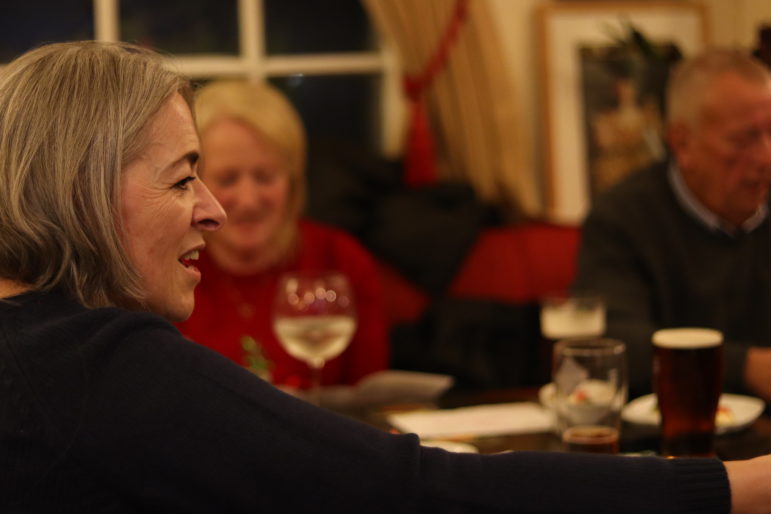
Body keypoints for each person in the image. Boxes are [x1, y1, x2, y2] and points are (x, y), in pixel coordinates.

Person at [1, 40, 771, 514]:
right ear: (82, 195)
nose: (214, 210)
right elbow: (411, 492)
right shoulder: (102, 366)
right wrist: (734, 491)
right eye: (182, 180)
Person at [573, 48, 771, 401]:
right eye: (744, 140)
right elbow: (615, 344)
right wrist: (744, 367)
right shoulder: (622, 216)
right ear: (683, 144)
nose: (765, 157)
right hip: (672, 439)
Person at [175, 79, 388, 389]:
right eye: (227, 178)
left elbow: (371, 400)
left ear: (293, 181)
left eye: (265, 177)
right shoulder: (171, 268)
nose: (248, 200)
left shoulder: (341, 259)